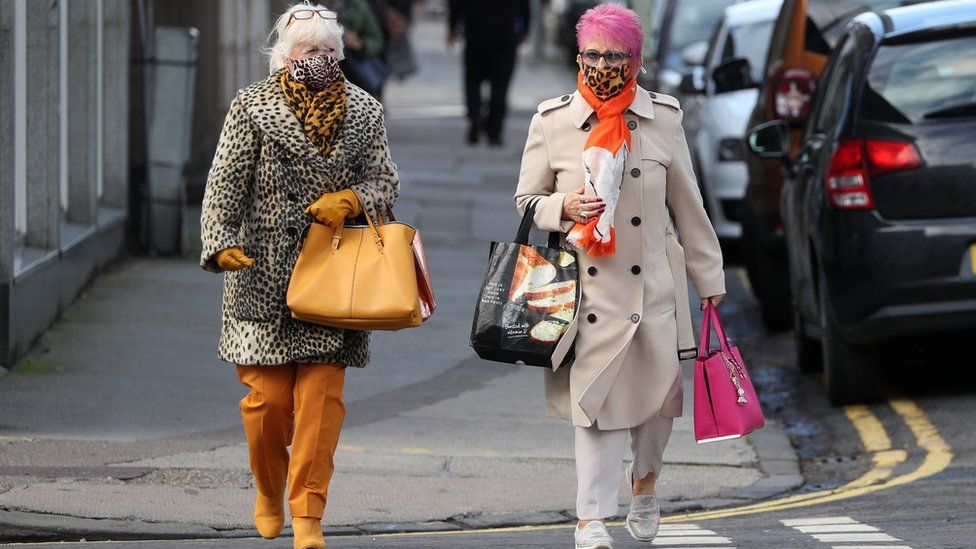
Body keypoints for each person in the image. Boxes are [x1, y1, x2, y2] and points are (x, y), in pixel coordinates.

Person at [513, 5, 726, 548]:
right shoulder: (552, 120)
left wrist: (710, 281)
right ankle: (591, 520)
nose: (603, 65)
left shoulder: (664, 119)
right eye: (593, 54)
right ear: (578, 57)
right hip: (587, 291)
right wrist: (564, 206)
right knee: (597, 407)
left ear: (636, 60)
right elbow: (525, 200)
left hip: (654, 285)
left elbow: (690, 207)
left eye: (615, 56)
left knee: (657, 407)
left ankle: (645, 484)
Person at [198, 4, 398, 549]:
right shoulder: (251, 106)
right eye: (311, 51)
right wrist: (220, 245)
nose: (323, 60)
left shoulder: (364, 111)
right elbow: (224, 184)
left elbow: (385, 181)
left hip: (334, 281)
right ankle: (268, 488)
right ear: (285, 56)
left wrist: (353, 198)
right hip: (263, 279)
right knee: (266, 404)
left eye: (331, 51)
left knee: (321, 403)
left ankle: (307, 512)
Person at [448, 0, 530, 146]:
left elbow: (456, 4)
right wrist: (525, 30)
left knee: (472, 80)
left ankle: (475, 116)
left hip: (475, 33)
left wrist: (453, 27)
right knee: (500, 85)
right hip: (505, 34)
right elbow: (524, 5)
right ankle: (494, 132)